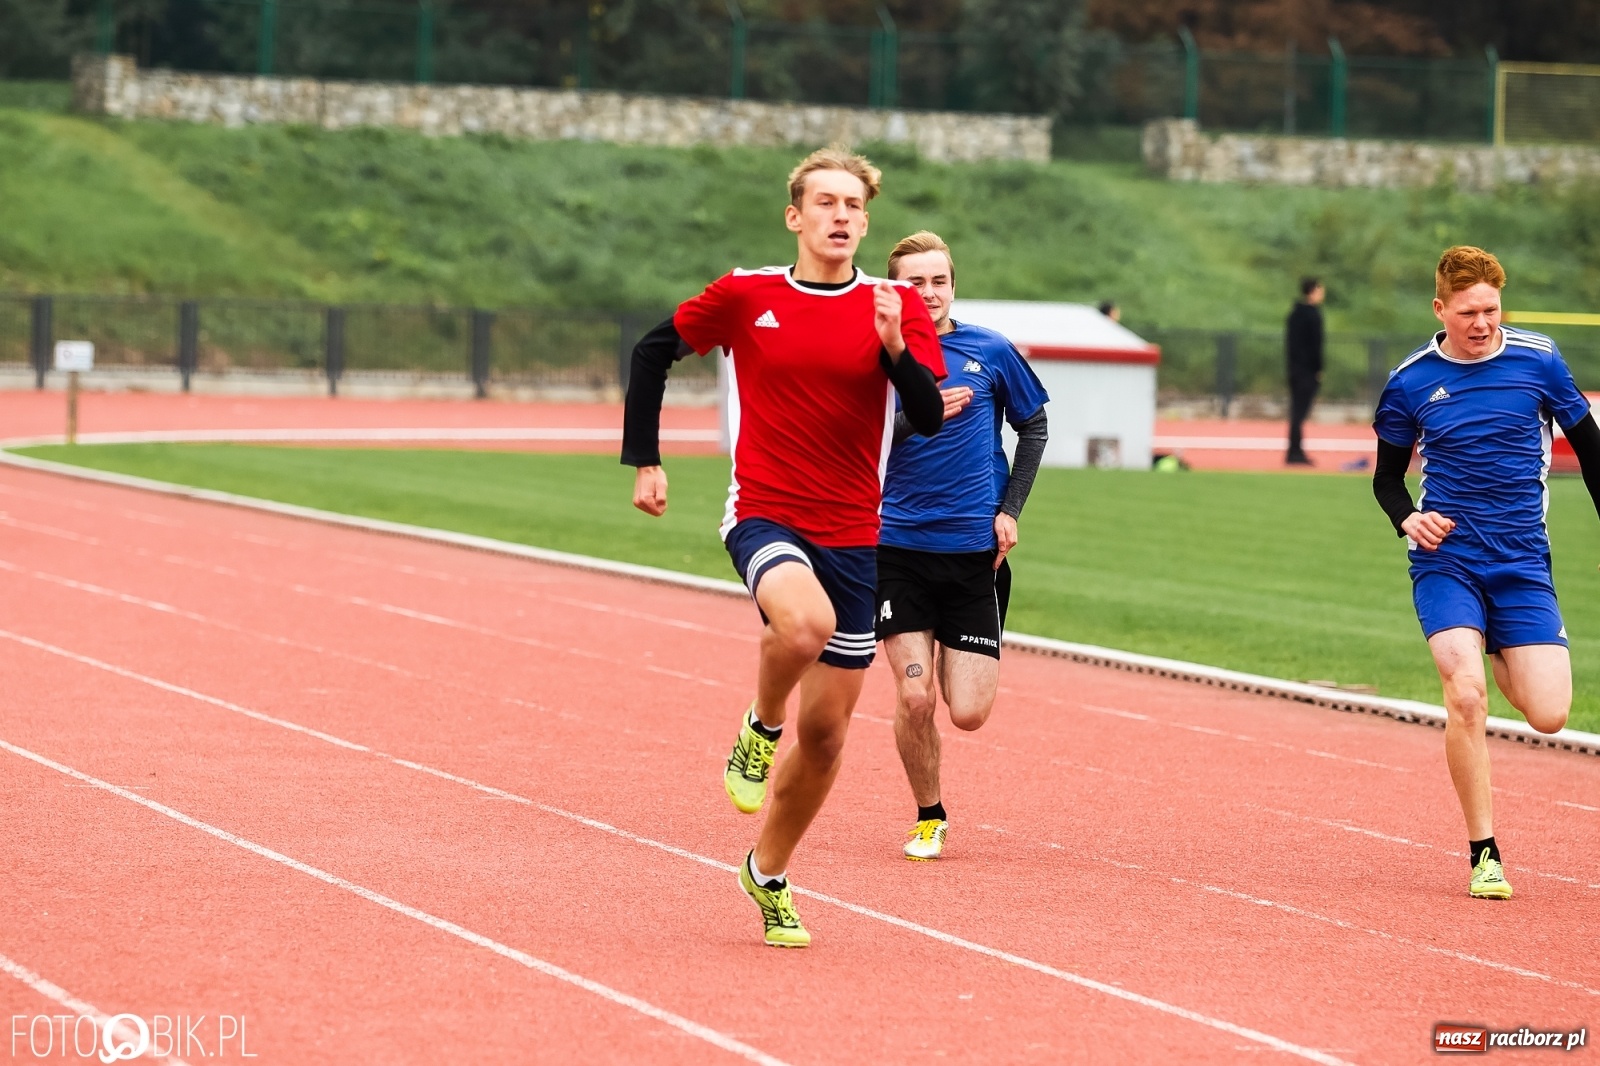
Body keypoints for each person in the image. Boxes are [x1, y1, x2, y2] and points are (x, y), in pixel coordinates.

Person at [620, 146, 947, 947]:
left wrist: (897, 354)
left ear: (866, 222)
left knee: (830, 736)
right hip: (764, 513)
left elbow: (932, 417)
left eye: (853, 206)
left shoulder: (894, 304)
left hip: (853, 533)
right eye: (825, 203)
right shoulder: (748, 294)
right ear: (795, 216)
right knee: (799, 626)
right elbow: (652, 352)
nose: (840, 216)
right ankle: (760, 726)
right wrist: (646, 458)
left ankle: (767, 873)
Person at [1371, 245, 1600, 900]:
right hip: (1448, 558)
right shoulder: (1411, 380)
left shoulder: (1539, 360)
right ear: (1440, 309)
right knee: (1466, 693)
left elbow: (1591, 449)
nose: (1482, 322)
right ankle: (1484, 851)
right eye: (1469, 311)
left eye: (1492, 309)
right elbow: (1388, 480)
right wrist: (1407, 519)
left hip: (1523, 557)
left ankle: (1498, 639)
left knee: (1549, 714)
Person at [875, 231, 1049, 860]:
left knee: (968, 712)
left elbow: (1034, 425)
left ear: (953, 283)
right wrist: (917, 414)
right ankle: (929, 815)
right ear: (896, 290)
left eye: (938, 280)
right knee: (916, 696)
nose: (929, 293)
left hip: (976, 552)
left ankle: (963, 638)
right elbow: (849, 434)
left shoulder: (991, 350)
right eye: (914, 283)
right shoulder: (877, 357)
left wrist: (1011, 509)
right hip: (896, 547)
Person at [1286, 277, 1324, 465]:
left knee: (1296, 412)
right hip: (1306, 371)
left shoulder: (1294, 314)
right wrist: (1317, 369)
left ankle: (1294, 450)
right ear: (1313, 291)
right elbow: (1315, 346)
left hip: (1294, 370)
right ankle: (1294, 452)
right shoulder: (1313, 315)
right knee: (1299, 413)